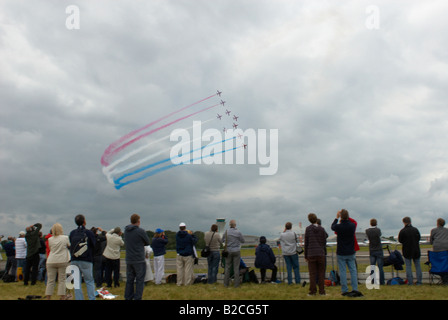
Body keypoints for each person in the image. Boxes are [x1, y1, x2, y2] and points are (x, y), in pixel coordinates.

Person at [331, 209, 362, 297]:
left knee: (343, 271)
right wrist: (346, 217)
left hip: (341, 252)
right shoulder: (352, 226)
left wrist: (337, 217)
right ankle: (355, 289)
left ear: (341, 217)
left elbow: (333, 226)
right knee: (353, 271)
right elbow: (354, 222)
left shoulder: (339, 227)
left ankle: (344, 290)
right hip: (351, 251)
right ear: (348, 216)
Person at [69, 214, 96, 300]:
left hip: (74, 259)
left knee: (77, 283)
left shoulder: (72, 233)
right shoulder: (89, 233)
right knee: (89, 281)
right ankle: (91, 298)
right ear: (84, 221)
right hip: (86, 259)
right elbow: (94, 244)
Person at [124, 213, 150, 300]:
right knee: (139, 280)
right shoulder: (140, 231)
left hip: (129, 259)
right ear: (138, 221)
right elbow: (147, 241)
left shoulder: (126, 231)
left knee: (129, 280)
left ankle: (128, 297)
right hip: (138, 258)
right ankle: (138, 297)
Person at [45, 223, 71, 300]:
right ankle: (62, 296)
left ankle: (48, 297)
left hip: (51, 260)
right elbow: (69, 245)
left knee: (50, 280)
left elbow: (51, 248)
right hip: (62, 260)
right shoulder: (65, 238)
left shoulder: (50, 239)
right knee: (62, 279)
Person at [305, 213, 327, 295]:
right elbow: (324, 241)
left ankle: (312, 291)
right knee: (321, 273)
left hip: (311, 253)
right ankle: (322, 291)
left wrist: (306, 255)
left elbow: (306, 243)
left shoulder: (308, 229)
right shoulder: (322, 229)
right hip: (320, 253)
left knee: (312, 274)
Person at [398, 216, 422, 285]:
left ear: (404, 222)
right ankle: (419, 281)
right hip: (416, 250)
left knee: (408, 266)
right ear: (410, 222)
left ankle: (410, 282)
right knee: (418, 266)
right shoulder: (415, 230)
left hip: (407, 250)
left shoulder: (402, 231)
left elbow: (400, 240)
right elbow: (418, 238)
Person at [223, 219, 245, 288]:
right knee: (236, 268)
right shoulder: (238, 232)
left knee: (227, 268)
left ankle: (226, 284)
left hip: (228, 251)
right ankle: (236, 284)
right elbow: (243, 241)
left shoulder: (226, 232)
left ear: (229, 225)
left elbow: (222, 240)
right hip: (236, 250)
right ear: (235, 225)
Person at [365, 219, 385, 285]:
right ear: (376, 223)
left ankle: (373, 281)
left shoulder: (367, 231)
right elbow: (379, 234)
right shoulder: (378, 230)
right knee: (380, 267)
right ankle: (382, 281)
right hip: (379, 249)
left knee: (372, 267)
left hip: (372, 250)